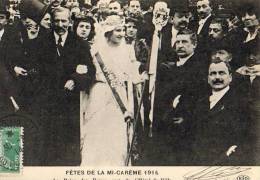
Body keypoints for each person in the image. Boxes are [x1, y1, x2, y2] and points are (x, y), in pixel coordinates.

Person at [81, 15, 142, 166]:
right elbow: (90, 72)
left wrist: (139, 78)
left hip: (119, 95)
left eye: (123, 30)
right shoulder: (96, 50)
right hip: (100, 93)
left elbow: (132, 73)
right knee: (97, 130)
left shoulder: (128, 50)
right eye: (118, 30)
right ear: (108, 31)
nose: (122, 33)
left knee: (116, 132)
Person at [39, 7, 96, 165]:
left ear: (70, 22)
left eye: (64, 21)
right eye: (56, 20)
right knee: (48, 142)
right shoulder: (42, 41)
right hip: (47, 101)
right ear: (52, 21)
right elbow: (36, 69)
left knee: (68, 144)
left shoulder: (79, 44)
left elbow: (90, 70)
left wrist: (75, 79)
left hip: (70, 102)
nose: (60, 24)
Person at [191, 60, 250, 165]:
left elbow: (247, 138)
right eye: (213, 74)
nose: (217, 77)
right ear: (208, 79)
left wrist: (227, 155)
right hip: (199, 162)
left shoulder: (241, 103)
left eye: (221, 73)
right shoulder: (200, 103)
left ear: (230, 77)